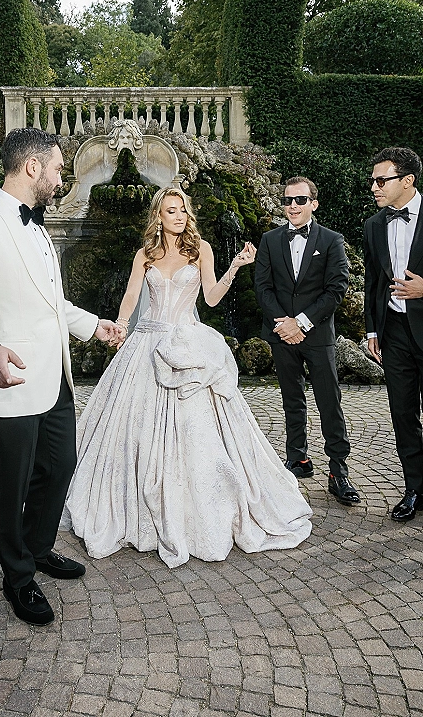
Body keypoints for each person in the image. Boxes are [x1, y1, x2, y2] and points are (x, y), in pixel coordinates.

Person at [62, 187, 312, 569]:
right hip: (145, 343)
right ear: (158, 217)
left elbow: (210, 298)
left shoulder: (202, 249)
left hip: (186, 345)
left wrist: (235, 267)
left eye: (182, 210)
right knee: (131, 431)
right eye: (170, 211)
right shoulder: (145, 254)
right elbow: (130, 295)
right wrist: (121, 326)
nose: (179, 217)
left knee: (199, 432)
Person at [0, 127, 122, 626]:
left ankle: (39, 547)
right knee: (11, 484)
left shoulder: (39, 228)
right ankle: (18, 577)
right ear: (32, 168)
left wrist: (93, 325)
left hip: (55, 379)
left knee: (59, 466)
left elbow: (51, 304)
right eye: (58, 167)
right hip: (10, 384)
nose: (61, 175)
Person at [254, 176, 360, 506]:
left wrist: (300, 322)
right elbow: (263, 288)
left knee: (329, 402)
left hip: (316, 335)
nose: (293, 206)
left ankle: (338, 471)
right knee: (291, 400)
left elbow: (336, 288)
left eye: (300, 200)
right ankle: (298, 460)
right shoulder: (269, 240)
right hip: (281, 335)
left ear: (313, 203)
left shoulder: (331, 240)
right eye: (287, 201)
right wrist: (283, 324)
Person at [364, 146, 423, 521]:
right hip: (395, 333)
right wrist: (372, 329)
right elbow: (372, 282)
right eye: (373, 180)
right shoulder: (373, 225)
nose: (374, 187)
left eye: (381, 180)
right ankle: (414, 490)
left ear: (407, 181)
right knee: (403, 415)